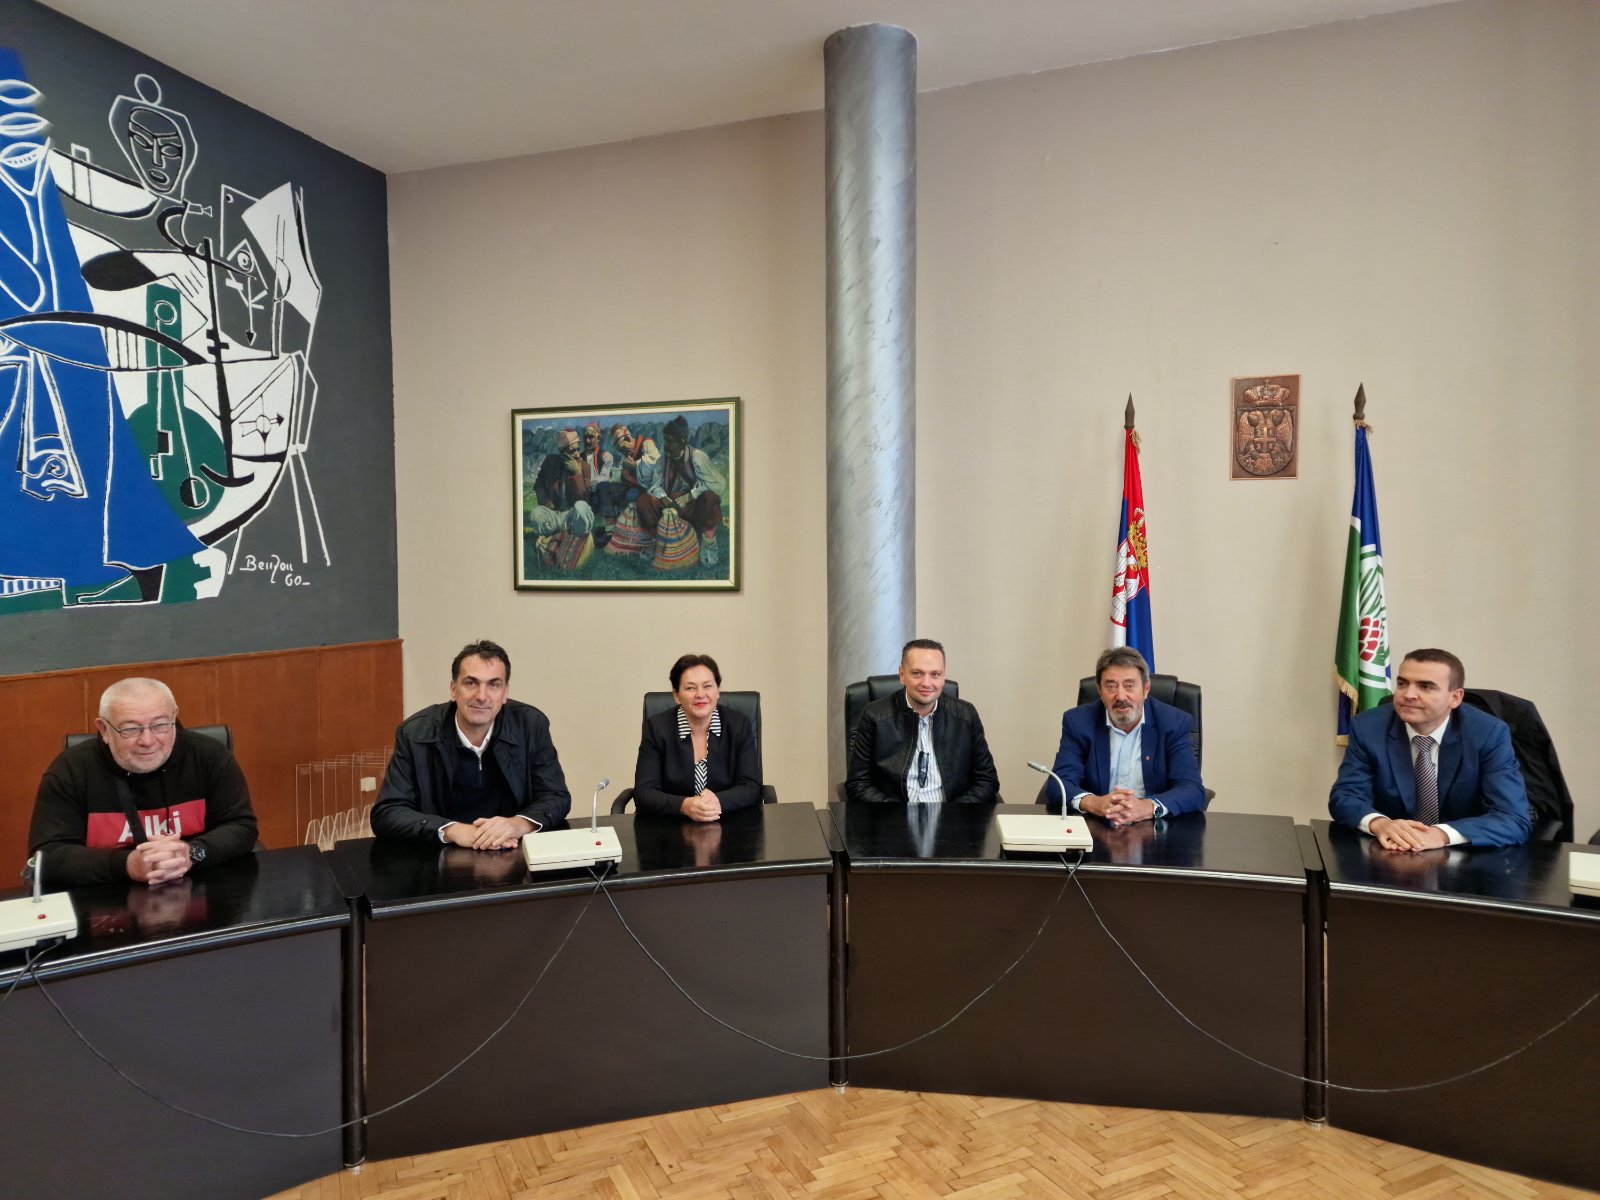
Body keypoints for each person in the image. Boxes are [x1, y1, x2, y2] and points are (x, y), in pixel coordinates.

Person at [28, 677, 258, 887]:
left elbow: (241, 826)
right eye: (131, 729)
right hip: (107, 898)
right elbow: (47, 855)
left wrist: (191, 853)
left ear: (174, 717)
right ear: (104, 729)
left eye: (160, 725)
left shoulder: (209, 756)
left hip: (199, 889)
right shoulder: (71, 769)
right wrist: (127, 864)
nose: (147, 741)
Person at [373, 640, 572, 849]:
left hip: (513, 847)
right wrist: (453, 830)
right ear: (453, 689)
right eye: (471, 683)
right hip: (440, 853)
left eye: (494, 685)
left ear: (505, 692)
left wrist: (517, 824)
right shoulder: (415, 733)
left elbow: (556, 796)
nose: (482, 696)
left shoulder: (530, 725)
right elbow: (387, 813)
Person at [1329, 648, 1530, 850]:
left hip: (1464, 856)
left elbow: (1512, 818)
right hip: (1391, 850)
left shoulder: (1487, 733)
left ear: (1455, 698)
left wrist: (1441, 834)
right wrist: (1379, 823)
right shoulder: (1369, 727)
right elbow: (1345, 796)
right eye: (1402, 683)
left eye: (1425, 687)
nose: (1408, 695)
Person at [1048, 647, 1206, 824]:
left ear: (1146, 689)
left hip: (1155, 826)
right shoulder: (1078, 722)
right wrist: (1094, 802)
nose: (1121, 696)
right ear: (1099, 690)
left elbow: (1191, 789)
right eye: (1111, 687)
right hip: (1097, 824)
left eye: (1129, 686)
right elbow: (1059, 783)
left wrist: (1146, 807)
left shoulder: (1173, 723)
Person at [846, 639, 999, 804]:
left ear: (943, 675)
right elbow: (858, 784)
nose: (927, 683)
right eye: (917, 673)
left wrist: (955, 812)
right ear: (902, 675)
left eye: (935, 674)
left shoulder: (966, 715)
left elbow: (986, 780)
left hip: (951, 815)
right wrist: (897, 814)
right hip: (892, 816)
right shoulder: (874, 715)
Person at [631, 654, 762, 821]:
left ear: (717, 691)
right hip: (671, 826)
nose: (700, 694)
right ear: (676, 695)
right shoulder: (657, 728)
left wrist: (718, 801)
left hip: (729, 822)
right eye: (690, 688)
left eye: (707, 686)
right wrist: (685, 805)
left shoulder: (738, 725)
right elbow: (644, 792)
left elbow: (750, 786)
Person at [634, 415, 726, 566]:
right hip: (671, 504)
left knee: (710, 497)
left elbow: (718, 484)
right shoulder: (663, 459)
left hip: (692, 506)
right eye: (665, 441)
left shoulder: (697, 456)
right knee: (644, 500)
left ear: (682, 441)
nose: (665, 445)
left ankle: (709, 544)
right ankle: (658, 542)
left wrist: (689, 496)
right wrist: (663, 497)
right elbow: (655, 485)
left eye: (670, 441)